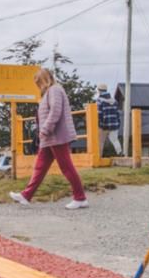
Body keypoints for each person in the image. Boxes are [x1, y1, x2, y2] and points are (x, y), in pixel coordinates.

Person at [9, 68, 90, 210]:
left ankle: (80, 198)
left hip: (56, 136)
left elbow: (55, 112)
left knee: (67, 167)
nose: (38, 85)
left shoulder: (54, 90)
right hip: (49, 138)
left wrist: (45, 129)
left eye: (39, 82)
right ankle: (26, 195)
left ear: (45, 79)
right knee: (40, 167)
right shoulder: (50, 92)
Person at [96, 83, 123, 156]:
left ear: (99, 90)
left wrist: (99, 125)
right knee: (114, 139)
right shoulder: (114, 101)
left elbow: (99, 114)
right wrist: (118, 123)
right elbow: (117, 114)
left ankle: (99, 157)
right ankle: (119, 152)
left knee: (101, 142)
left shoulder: (99, 100)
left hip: (104, 124)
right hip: (114, 124)